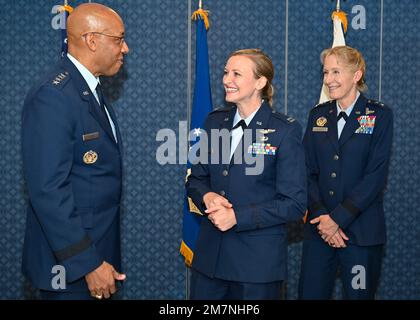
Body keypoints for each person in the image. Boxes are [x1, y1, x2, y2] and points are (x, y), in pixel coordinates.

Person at [21, 3, 129, 300]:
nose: (126, 48)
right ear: (92, 40)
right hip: (70, 265)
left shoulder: (88, 89)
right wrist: (87, 263)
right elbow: (48, 189)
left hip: (97, 253)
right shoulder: (53, 95)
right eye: (119, 40)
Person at [186, 48, 307, 300]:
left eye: (237, 74)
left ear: (260, 82)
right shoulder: (214, 121)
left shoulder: (284, 130)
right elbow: (196, 179)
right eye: (226, 72)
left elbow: (294, 204)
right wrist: (207, 196)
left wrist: (237, 217)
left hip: (256, 268)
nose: (226, 80)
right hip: (210, 262)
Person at [299, 46, 393, 299]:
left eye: (336, 71)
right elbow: (306, 171)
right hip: (319, 232)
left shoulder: (380, 115)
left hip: (361, 233)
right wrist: (322, 219)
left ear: (357, 75)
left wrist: (337, 219)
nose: (329, 79)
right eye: (326, 72)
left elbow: (375, 175)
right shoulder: (317, 116)